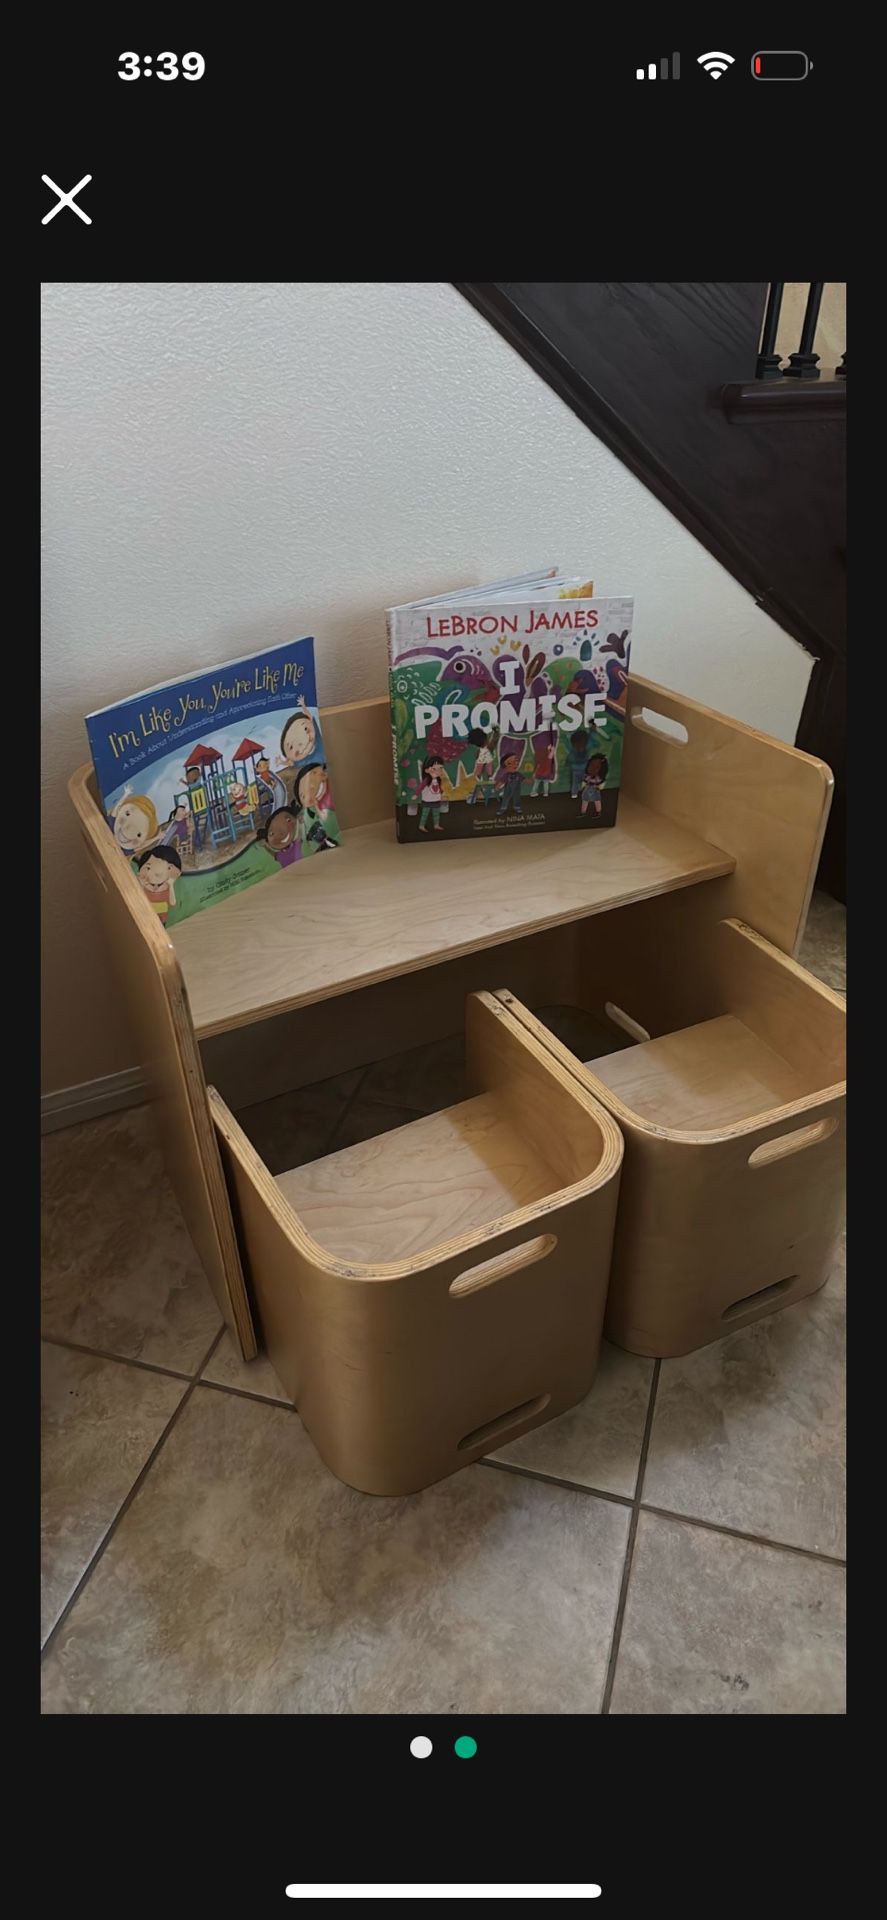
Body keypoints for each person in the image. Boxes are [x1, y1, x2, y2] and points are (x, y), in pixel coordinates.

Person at [294, 763, 338, 850]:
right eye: (303, 796)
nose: (309, 792)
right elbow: (325, 819)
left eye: (309, 784)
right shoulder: (316, 808)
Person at [134, 844, 181, 923]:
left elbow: (172, 903)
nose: (158, 873)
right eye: (148, 868)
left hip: (161, 919)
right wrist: (141, 886)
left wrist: (171, 885)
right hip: (144, 915)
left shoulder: (167, 886)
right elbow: (137, 900)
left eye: (168, 868)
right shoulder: (144, 884)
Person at [257, 804, 303, 868]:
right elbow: (273, 853)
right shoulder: (282, 853)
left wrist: (299, 822)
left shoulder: (294, 846)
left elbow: (273, 853)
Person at [466, 726, 497, 806]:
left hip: (486, 761)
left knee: (487, 768)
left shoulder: (486, 748)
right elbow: (492, 740)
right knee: (480, 771)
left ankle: (488, 780)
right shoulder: (480, 751)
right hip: (483, 762)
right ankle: (481, 786)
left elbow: (493, 740)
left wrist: (495, 732)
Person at [418, 754, 446, 832]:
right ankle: (421, 825)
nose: (438, 771)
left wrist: (442, 794)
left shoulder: (438, 780)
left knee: (436, 813)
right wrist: (416, 794)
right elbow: (421, 787)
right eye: (434, 768)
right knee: (425, 814)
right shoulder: (427, 780)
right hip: (427, 800)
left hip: (436, 799)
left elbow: (439, 788)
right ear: (427, 770)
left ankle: (436, 825)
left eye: (440, 768)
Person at [495, 750, 525, 815]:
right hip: (508, 789)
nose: (514, 764)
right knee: (506, 797)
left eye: (516, 761)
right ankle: (503, 808)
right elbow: (502, 781)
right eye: (509, 763)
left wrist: (529, 781)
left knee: (517, 797)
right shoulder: (506, 775)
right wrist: (498, 786)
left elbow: (523, 779)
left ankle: (517, 807)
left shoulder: (518, 774)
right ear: (505, 766)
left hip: (517, 789)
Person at [530, 732, 558, 797]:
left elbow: (547, 754)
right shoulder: (548, 758)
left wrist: (549, 749)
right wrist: (552, 749)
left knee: (536, 783)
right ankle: (545, 793)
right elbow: (550, 754)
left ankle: (533, 792)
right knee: (546, 783)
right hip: (546, 773)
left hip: (539, 773)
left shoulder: (539, 757)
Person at [567, 729, 589, 799]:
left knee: (575, 782)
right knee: (586, 781)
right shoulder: (585, 748)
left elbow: (570, 758)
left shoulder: (573, 749)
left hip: (575, 768)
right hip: (584, 768)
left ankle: (574, 794)